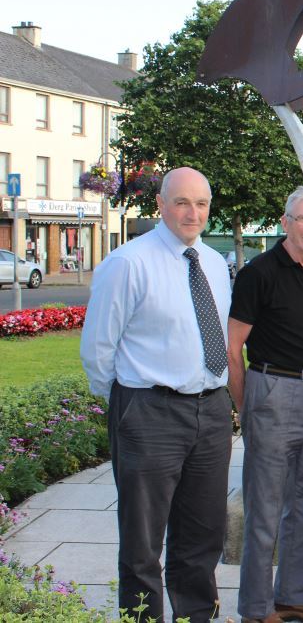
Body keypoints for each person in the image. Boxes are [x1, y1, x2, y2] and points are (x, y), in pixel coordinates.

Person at [81, 166, 233, 622]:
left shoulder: (212, 262)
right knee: (143, 541)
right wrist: (131, 406)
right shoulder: (128, 263)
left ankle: (194, 615)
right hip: (149, 412)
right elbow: (98, 349)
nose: (193, 212)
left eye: (201, 203)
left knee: (203, 534)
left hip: (211, 412)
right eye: (182, 202)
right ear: (161, 205)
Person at [228, 186, 303, 623]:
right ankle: (256, 609)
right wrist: (246, 405)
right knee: (265, 509)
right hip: (271, 389)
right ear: (285, 220)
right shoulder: (259, 272)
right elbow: (233, 346)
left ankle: (294, 595)